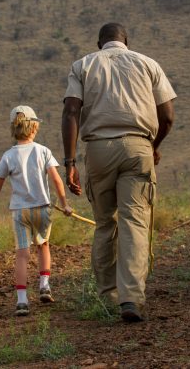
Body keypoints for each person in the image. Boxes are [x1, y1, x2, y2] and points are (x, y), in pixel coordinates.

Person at [62, 22, 176, 322]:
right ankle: (131, 299)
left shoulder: (83, 65)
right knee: (135, 223)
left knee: (104, 224)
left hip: (99, 150)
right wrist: (154, 144)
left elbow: (71, 111)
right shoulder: (148, 64)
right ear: (126, 40)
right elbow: (167, 116)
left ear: (100, 43)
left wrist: (70, 162)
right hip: (138, 148)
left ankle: (108, 296)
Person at [0, 105, 73, 317]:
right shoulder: (43, 151)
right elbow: (57, 179)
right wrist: (64, 203)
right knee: (43, 245)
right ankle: (44, 286)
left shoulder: (8, 156)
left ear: (14, 128)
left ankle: (22, 301)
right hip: (43, 209)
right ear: (34, 127)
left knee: (22, 254)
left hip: (20, 212)